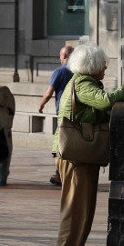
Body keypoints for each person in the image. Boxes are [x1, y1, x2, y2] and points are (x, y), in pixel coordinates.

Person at [50, 44, 124, 246]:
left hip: (81, 158)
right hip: (75, 158)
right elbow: (104, 102)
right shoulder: (83, 84)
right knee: (75, 213)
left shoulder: (84, 83)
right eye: (103, 64)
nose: (105, 68)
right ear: (92, 66)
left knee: (83, 214)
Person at [38, 45, 75, 187]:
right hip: (77, 112)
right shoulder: (78, 72)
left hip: (63, 113)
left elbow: (49, 93)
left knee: (60, 143)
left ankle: (59, 174)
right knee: (71, 142)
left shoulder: (59, 72)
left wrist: (41, 105)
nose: (59, 58)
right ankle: (62, 173)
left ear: (64, 56)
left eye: (60, 55)